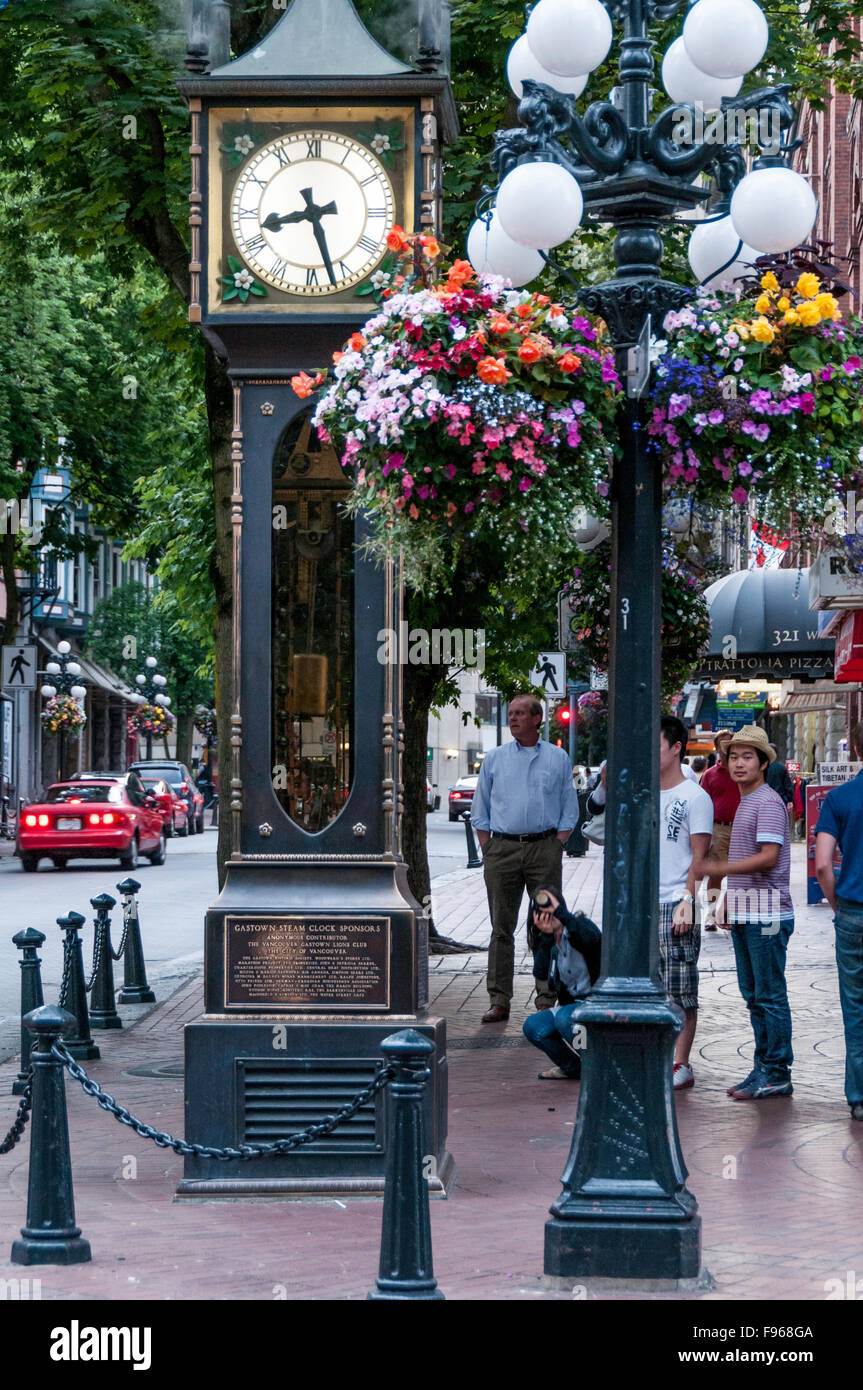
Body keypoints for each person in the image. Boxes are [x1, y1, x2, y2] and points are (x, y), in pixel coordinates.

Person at [693, 725, 795, 1101]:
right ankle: (763, 1067)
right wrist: (727, 902)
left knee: (768, 994)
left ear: (763, 763)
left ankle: (777, 1071)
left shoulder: (766, 802)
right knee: (754, 995)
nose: (738, 763)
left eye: (747, 757)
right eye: (734, 756)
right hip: (749, 912)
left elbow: (768, 858)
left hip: (769, 915)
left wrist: (716, 871)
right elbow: (747, 859)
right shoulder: (747, 801)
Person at [471, 694, 580, 1023]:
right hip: (501, 850)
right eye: (510, 713)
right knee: (500, 928)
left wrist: (557, 844)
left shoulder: (557, 758)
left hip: (543, 849)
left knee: (547, 923)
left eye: (520, 713)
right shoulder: (495, 758)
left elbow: (568, 805)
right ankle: (499, 999)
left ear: (537, 719)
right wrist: (488, 846)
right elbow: (481, 806)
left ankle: (546, 996)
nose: (513, 718)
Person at [658, 715, 713, 1090]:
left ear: (676, 748)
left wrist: (688, 901)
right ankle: (656, 1056)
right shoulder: (641, 791)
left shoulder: (696, 797)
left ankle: (681, 1063)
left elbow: (699, 857)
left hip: (674, 901)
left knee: (680, 988)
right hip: (640, 906)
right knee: (645, 987)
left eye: (655, 745)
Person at [814, 723, 863, 1122]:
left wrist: (837, 907)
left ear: (856, 750)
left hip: (854, 911)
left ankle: (859, 1095)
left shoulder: (839, 799)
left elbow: (823, 865)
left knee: (855, 1005)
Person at [523, 889, 601, 1078]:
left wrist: (563, 918)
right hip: (573, 1006)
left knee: (565, 1019)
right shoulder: (550, 942)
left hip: (598, 1003)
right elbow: (541, 973)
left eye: (551, 910)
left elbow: (592, 939)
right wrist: (547, 935)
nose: (549, 916)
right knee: (533, 1026)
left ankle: (597, 1063)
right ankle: (573, 1068)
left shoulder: (579, 926)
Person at [699, 730, 740, 930]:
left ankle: (727, 913)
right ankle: (710, 913)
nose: (726, 748)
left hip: (741, 829)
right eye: (723, 744)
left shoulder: (741, 771)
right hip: (719, 828)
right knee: (716, 874)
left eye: (730, 744)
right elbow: (702, 804)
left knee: (738, 874)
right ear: (716, 748)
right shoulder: (710, 775)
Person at [766, 748, 795, 834]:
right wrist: (790, 800)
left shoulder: (762, 768)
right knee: (779, 827)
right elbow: (788, 785)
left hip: (764, 801)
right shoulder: (781, 768)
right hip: (780, 801)